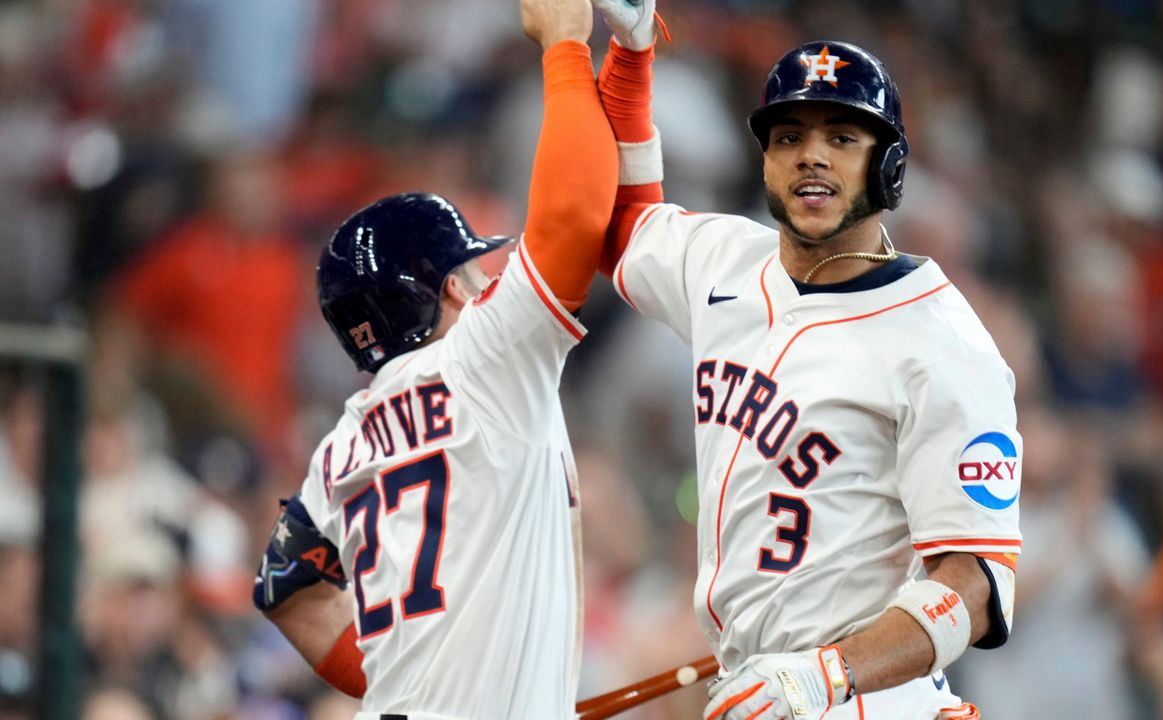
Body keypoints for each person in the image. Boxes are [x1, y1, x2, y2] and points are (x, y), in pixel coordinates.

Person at [587, 2, 1021, 717]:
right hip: (754, 682)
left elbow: (976, 581)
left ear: (889, 165)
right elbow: (622, 223)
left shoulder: (946, 345)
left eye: (842, 137)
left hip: (868, 696)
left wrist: (823, 675)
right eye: (789, 136)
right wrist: (631, 59)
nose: (811, 155)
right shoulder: (724, 260)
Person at [249, 0, 618, 716]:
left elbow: (284, 586)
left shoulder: (342, 444)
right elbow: (575, 218)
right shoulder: (487, 360)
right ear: (450, 286)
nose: (487, 279)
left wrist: (408, 683)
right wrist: (568, 46)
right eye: (473, 269)